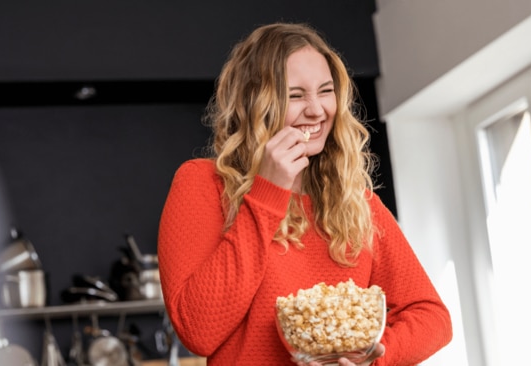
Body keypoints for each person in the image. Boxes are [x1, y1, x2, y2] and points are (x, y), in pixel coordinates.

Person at [157, 22, 452, 365]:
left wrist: (372, 359)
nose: (316, 110)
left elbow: (432, 316)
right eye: (295, 95)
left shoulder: (354, 201)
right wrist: (268, 191)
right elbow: (198, 332)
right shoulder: (203, 183)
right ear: (255, 102)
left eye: (325, 91)